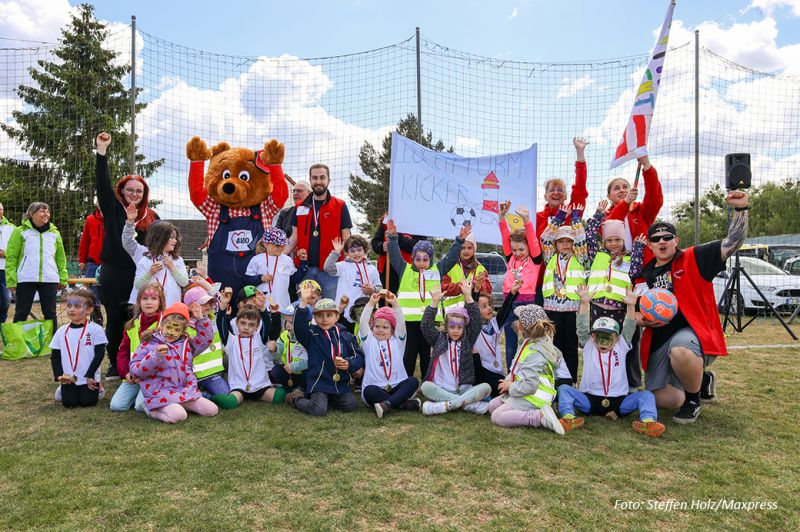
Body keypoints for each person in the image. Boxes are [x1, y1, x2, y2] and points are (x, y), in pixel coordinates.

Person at [636, 190, 748, 424]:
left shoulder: (694, 257)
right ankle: (701, 381)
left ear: (676, 241)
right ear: (650, 245)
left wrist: (740, 209)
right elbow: (635, 311)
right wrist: (642, 320)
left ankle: (693, 400)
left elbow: (732, 243)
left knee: (681, 351)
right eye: (656, 239)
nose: (662, 242)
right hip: (658, 339)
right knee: (664, 400)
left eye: (667, 237)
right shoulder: (643, 275)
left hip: (691, 334)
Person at [557, 286, 666, 437]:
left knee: (646, 396)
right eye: (599, 337)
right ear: (592, 336)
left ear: (616, 338)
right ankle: (568, 417)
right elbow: (581, 327)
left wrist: (630, 306)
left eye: (608, 337)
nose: (603, 342)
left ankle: (648, 422)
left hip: (619, 401)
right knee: (564, 389)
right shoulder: (588, 345)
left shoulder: (622, 345)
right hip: (589, 400)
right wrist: (584, 303)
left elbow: (629, 326)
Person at [95, 132, 159, 380]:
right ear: (122, 190)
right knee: (115, 318)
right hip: (114, 272)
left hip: (142, 273)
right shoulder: (112, 208)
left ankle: (141, 360)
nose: (134, 194)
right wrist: (102, 151)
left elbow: (161, 242)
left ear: (144, 194)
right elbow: (102, 183)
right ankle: (114, 363)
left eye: (138, 191)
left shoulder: (151, 216)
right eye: (129, 190)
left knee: (142, 317)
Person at [387, 220, 465, 379]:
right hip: (408, 321)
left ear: (431, 259)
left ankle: (428, 382)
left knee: (426, 354)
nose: (421, 263)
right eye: (418, 259)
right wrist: (393, 238)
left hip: (429, 321)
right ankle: (406, 384)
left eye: (425, 259)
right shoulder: (405, 269)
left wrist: (459, 241)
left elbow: (451, 258)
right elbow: (394, 255)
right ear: (413, 259)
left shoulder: (437, 269)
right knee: (409, 353)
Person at [586, 201, 647, 390]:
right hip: (597, 309)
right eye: (609, 240)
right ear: (604, 242)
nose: (613, 244)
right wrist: (598, 215)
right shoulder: (596, 255)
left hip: (621, 309)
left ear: (623, 241)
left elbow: (636, 271)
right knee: (600, 343)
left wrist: (639, 248)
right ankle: (600, 381)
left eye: (617, 240)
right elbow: (589, 235)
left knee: (626, 344)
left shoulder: (629, 258)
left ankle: (632, 384)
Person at [129, 302, 219, 424]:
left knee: (212, 410)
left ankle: (179, 405)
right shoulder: (149, 344)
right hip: (161, 393)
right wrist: (155, 356)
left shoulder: (187, 345)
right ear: (162, 325)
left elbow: (205, 339)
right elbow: (135, 371)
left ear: (183, 330)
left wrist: (201, 319)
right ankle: (151, 410)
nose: (172, 333)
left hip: (186, 391)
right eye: (169, 327)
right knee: (179, 415)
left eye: (177, 329)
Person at [286, 288, 365, 416]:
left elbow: (358, 356)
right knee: (319, 410)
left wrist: (349, 364)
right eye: (319, 316)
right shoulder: (311, 335)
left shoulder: (347, 336)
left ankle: (329, 399)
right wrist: (303, 302)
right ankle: (296, 399)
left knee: (351, 404)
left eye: (329, 315)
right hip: (319, 383)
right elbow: (299, 327)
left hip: (339, 383)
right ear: (314, 317)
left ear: (337, 316)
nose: (324, 319)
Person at [486, 304, 564, 434]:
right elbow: (518, 369)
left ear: (522, 325)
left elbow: (530, 385)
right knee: (492, 406)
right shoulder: (531, 342)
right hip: (524, 391)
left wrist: (510, 387)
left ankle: (539, 417)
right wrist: (509, 382)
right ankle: (533, 411)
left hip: (533, 397)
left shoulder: (536, 353)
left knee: (497, 416)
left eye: (518, 319)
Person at [419, 282, 491, 416]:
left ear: (464, 328)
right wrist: (434, 302)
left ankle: (443, 406)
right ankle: (468, 405)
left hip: (464, 389)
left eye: (459, 327)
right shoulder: (439, 339)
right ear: (446, 327)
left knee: (486, 388)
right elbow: (425, 326)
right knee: (425, 386)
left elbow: (477, 321)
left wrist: (468, 296)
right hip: (442, 388)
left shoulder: (468, 339)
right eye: (452, 327)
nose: (456, 331)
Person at [534, 137, 589, 303]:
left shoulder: (572, 213)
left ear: (566, 195)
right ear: (545, 195)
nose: (556, 193)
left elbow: (580, 188)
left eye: (560, 190)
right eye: (552, 190)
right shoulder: (537, 218)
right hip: (543, 281)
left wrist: (580, 153)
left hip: (571, 284)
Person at [286, 164, 353, 299]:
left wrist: (353, 261)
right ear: (310, 180)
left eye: (322, 177)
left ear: (328, 180)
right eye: (315, 178)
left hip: (330, 271)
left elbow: (346, 237)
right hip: (304, 269)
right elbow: (294, 237)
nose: (318, 181)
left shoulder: (340, 205)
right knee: (304, 308)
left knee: (329, 308)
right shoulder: (299, 207)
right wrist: (277, 256)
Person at [539, 204, 588, 385]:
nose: (566, 244)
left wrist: (575, 219)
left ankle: (572, 380)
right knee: (554, 345)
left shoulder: (580, 257)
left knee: (571, 346)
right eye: (561, 241)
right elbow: (545, 238)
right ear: (556, 244)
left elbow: (582, 240)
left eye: (569, 241)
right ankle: (556, 379)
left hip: (572, 308)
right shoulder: (550, 257)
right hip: (553, 308)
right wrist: (559, 217)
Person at [217, 292, 286, 406]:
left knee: (279, 396)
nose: (246, 327)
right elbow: (220, 324)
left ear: (257, 327)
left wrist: (262, 308)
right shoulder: (231, 340)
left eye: (251, 324)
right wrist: (223, 306)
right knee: (229, 403)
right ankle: (212, 397)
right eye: (243, 323)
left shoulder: (259, 339)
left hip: (261, 386)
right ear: (237, 323)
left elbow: (267, 323)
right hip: (239, 387)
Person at [358, 291, 421, 418]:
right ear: (372, 327)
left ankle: (387, 404)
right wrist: (370, 304)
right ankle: (403, 404)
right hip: (377, 388)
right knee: (369, 391)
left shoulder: (398, 341)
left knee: (413, 381)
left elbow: (401, 323)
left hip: (397, 385)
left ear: (392, 330)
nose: (380, 330)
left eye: (385, 327)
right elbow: (363, 323)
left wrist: (395, 304)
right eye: (377, 326)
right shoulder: (369, 341)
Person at [5, 202, 68, 328]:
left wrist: (63, 278)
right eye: (42, 211)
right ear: (31, 214)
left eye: (48, 211)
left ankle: (53, 340)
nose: (46, 214)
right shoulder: (20, 231)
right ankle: (17, 340)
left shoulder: (55, 233)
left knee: (50, 314)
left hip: (50, 279)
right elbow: (11, 258)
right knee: (21, 313)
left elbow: (61, 258)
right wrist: (11, 280)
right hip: (25, 279)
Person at [497, 201, 543, 368]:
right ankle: (511, 373)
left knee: (529, 340)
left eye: (521, 249)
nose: (517, 253)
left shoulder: (535, 259)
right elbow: (505, 237)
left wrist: (527, 220)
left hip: (527, 303)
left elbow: (533, 240)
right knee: (510, 342)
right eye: (514, 250)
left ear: (529, 248)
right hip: (510, 302)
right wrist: (501, 218)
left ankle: (528, 370)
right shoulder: (511, 258)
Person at [109, 283, 165, 412]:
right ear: (139, 302)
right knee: (116, 406)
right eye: (145, 298)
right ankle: (140, 395)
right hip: (134, 375)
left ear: (160, 302)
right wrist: (126, 373)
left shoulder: (165, 325)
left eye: (153, 298)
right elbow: (123, 352)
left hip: (154, 377)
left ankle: (152, 395)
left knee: (140, 407)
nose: (149, 302)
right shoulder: (132, 325)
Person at [49, 289, 107, 408]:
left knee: (88, 402)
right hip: (69, 378)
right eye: (69, 306)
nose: (71, 309)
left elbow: (99, 354)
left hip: (89, 377)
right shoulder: (61, 331)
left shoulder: (96, 329)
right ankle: (62, 388)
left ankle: (99, 387)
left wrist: (90, 375)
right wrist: (59, 375)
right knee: (69, 403)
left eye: (77, 306)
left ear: (89, 309)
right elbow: (55, 356)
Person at [185, 286, 238, 410]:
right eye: (202, 303)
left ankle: (205, 396)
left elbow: (221, 314)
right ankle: (203, 395)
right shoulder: (184, 326)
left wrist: (224, 303)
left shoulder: (213, 320)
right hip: (191, 377)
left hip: (212, 374)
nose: (208, 306)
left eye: (209, 302)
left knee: (226, 397)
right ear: (191, 306)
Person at [604, 155, 663, 263]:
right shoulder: (604, 216)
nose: (622, 190)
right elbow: (611, 225)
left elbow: (654, 197)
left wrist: (647, 167)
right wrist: (626, 202)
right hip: (616, 266)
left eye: (625, 187)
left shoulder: (641, 210)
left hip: (644, 266)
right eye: (617, 188)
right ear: (609, 196)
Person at [324, 234, 382, 332]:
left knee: (361, 338)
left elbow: (379, 288)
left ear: (365, 250)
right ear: (347, 253)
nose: (356, 253)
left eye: (359, 250)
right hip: (343, 311)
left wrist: (372, 290)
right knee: (343, 337)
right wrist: (336, 252)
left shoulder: (372, 268)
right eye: (352, 251)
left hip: (364, 312)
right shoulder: (342, 266)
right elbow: (327, 268)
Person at [473, 280, 521, 397]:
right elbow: (471, 309)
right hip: (481, 370)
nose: (489, 308)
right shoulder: (473, 327)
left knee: (504, 389)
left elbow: (504, 310)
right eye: (484, 306)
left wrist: (512, 293)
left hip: (495, 370)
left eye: (489, 305)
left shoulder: (495, 324)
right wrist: (475, 292)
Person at [370, 213, 423, 295]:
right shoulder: (388, 219)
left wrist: (395, 237)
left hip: (409, 269)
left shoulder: (417, 220)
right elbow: (375, 243)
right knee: (385, 298)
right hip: (387, 269)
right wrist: (381, 246)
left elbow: (419, 246)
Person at [440, 232, 492, 311]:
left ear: (474, 249)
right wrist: (462, 287)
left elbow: (488, 290)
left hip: (473, 311)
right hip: (453, 312)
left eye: (469, 248)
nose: (466, 251)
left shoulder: (481, 269)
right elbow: (442, 287)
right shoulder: (449, 266)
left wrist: (478, 286)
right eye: (463, 248)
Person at [267, 305, 308, 391]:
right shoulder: (284, 335)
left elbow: (313, 360)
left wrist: (295, 366)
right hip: (289, 371)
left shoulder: (309, 336)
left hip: (303, 371)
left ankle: (302, 391)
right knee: (276, 371)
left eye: (291, 322)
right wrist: (274, 350)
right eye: (286, 322)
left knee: (309, 374)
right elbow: (277, 356)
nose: (287, 326)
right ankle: (289, 389)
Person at [78, 200, 104, 324]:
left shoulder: (116, 217)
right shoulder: (90, 219)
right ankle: (96, 321)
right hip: (93, 263)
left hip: (111, 264)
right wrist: (82, 260)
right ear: (97, 204)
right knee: (92, 296)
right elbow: (85, 240)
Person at [0, 202, 16, 324]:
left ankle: (2, 323)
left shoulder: (12, 228)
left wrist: (4, 253)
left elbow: (17, 249)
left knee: (5, 299)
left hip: (5, 269)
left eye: (0, 209)